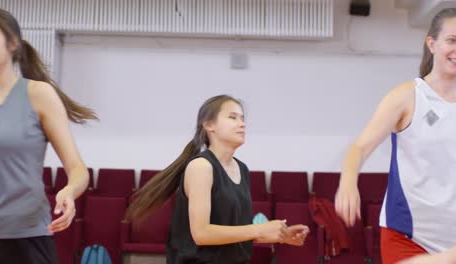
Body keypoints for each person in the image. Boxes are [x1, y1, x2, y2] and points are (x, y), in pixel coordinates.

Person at [334, 7, 456, 264]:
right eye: (452, 40)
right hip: (408, 236)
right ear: (432, 44)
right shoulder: (407, 96)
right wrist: (348, 180)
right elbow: (360, 146)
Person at [126, 95, 309, 264]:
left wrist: (280, 235)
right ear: (209, 125)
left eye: (242, 118)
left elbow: (233, 230)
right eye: (233, 117)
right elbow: (202, 233)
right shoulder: (201, 167)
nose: (242, 124)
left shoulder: (242, 169)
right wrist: (259, 230)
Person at [0, 8, 97, 263]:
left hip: (25, 235)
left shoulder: (39, 94)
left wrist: (70, 191)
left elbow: (78, 169)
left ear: (12, 43)